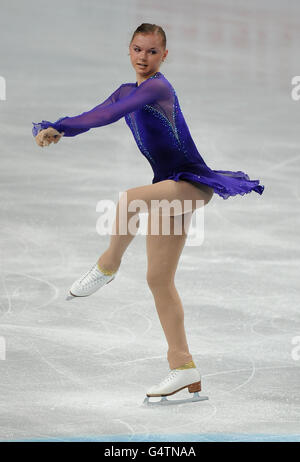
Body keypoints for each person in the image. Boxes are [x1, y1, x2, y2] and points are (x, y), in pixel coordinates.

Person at [32, 23, 264, 404]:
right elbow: (100, 111)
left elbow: (113, 114)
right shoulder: (127, 89)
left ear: (164, 56)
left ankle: (107, 266)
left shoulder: (158, 87)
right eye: (138, 50)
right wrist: (61, 128)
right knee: (158, 279)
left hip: (190, 182)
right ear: (129, 50)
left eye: (152, 51)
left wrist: (61, 126)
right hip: (168, 186)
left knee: (129, 201)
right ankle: (183, 366)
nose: (144, 57)